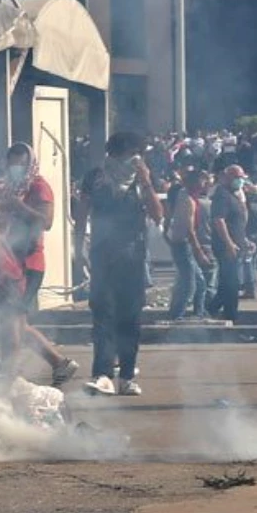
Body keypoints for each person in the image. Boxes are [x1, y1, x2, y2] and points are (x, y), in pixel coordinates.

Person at [74, 132, 163, 396]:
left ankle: (127, 375)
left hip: (133, 257)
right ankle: (102, 373)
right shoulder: (95, 178)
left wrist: (146, 181)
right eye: (125, 155)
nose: (130, 161)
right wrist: (79, 247)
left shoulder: (141, 180)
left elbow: (158, 214)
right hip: (102, 256)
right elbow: (82, 212)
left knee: (130, 318)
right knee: (103, 315)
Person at [0, 143, 79, 386]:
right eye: (12, 162)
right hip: (10, 261)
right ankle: (58, 363)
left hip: (29, 262)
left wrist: (18, 205)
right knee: (15, 322)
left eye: (21, 162)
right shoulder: (12, 188)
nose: (15, 167)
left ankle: (11, 375)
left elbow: (46, 221)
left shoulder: (39, 187)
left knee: (12, 321)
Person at [206, 165, 249, 322]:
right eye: (237, 177)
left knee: (227, 284)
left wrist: (244, 240)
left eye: (241, 178)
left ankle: (211, 310)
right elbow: (219, 220)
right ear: (228, 177)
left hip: (236, 245)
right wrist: (229, 243)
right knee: (231, 284)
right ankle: (230, 315)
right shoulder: (222, 195)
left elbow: (237, 222)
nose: (240, 181)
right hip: (226, 247)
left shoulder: (233, 195)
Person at [167, 167, 211, 320]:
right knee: (189, 284)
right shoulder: (187, 200)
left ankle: (199, 314)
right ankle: (177, 315)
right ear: (195, 182)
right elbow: (189, 230)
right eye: (203, 180)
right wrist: (199, 252)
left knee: (200, 283)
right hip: (183, 245)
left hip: (181, 244)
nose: (205, 184)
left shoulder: (185, 195)